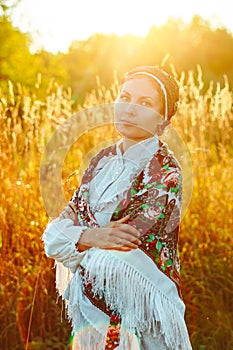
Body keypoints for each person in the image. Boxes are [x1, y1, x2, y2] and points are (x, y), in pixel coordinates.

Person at [42, 65, 193, 349]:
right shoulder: (101, 160)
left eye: (145, 103)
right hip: (91, 314)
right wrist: (90, 237)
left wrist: (75, 239)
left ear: (162, 122)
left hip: (142, 317)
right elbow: (52, 235)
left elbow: (119, 258)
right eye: (125, 97)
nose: (130, 109)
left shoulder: (166, 171)